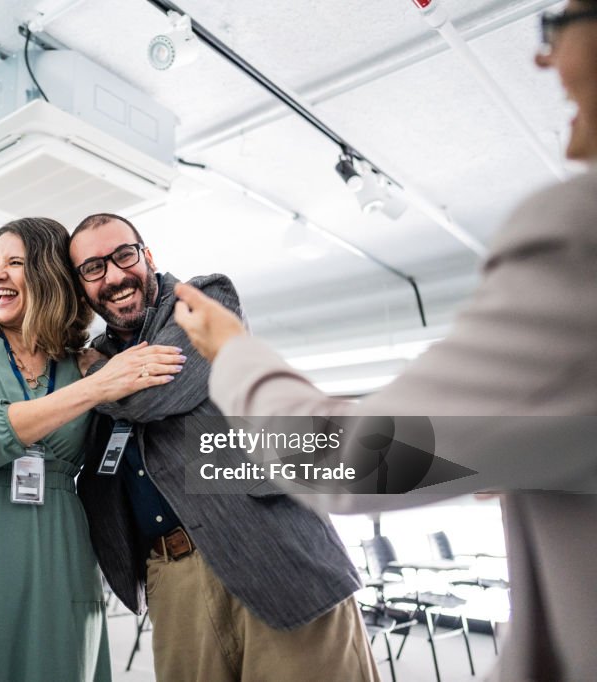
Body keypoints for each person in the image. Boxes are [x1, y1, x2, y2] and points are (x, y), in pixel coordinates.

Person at [172, 3, 597, 679]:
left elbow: (348, 458)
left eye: (560, 22)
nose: (542, 56)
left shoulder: (579, 234)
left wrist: (232, 352)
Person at [0, 214, 379, 681]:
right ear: (78, 286)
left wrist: (98, 377)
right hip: (172, 573)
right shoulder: (89, 359)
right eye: (93, 268)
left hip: (268, 551)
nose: (114, 276)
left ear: (148, 256)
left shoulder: (199, 302)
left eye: (124, 255)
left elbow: (156, 395)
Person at [0, 217, 185, 682]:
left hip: (58, 552)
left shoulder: (83, 362)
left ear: (51, 277)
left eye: (15, 263)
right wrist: (96, 386)